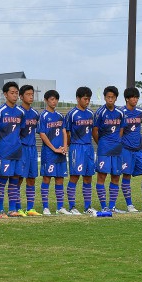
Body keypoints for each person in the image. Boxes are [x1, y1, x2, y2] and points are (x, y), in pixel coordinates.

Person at [0, 81, 26, 218]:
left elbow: (21, 130)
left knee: (15, 180)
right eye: (12, 93)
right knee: (2, 180)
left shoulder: (20, 112)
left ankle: (12, 209)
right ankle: (0, 210)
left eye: (16, 93)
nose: (15, 95)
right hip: (4, 151)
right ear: (5, 94)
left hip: (17, 150)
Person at [64, 86, 97, 215]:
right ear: (78, 99)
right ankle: (72, 207)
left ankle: (87, 206)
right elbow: (67, 133)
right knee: (75, 176)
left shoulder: (90, 114)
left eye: (89, 99)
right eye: (85, 99)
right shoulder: (71, 114)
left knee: (88, 177)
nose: (87, 102)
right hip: (76, 147)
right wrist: (68, 146)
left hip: (89, 147)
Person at [93, 86, 126, 213]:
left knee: (116, 176)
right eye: (108, 97)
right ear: (105, 97)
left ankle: (112, 206)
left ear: (116, 98)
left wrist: (117, 140)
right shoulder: (100, 112)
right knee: (102, 176)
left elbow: (121, 128)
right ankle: (104, 206)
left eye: (112, 97)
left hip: (116, 148)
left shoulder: (120, 113)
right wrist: (101, 143)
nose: (110, 99)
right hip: (104, 148)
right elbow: (94, 131)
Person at [37, 90, 70, 215]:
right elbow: (42, 134)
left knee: (60, 178)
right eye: (51, 99)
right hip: (49, 153)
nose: (54, 101)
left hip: (60, 152)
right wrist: (54, 148)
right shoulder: (43, 116)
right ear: (46, 100)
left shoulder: (60, 116)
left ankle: (60, 207)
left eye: (56, 99)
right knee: (47, 178)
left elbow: (64, 131)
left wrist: (65, 146)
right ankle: (46, 207)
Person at [17, 85, 41, 216]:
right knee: (19, 178)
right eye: (28, 94)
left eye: (32, 94)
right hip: (21, 149)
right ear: (21, 96)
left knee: (31, 178)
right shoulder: (18, 112)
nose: (31, 96)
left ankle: (30, 208)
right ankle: (18, 207)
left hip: (32, 149)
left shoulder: (36, 114)